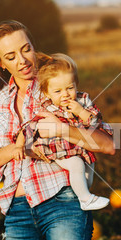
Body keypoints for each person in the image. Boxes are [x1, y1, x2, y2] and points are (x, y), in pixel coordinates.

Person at [0, 20, 115, 240]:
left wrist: (62, 130)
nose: (22, 60)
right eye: (11, 56)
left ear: (34, 48)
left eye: (26, 49)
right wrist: (14, 149)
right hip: (18, 212)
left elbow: (107, 144)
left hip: (64, 204)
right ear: (1, 63)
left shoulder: (59, 89)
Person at [16, 53, 110, 211]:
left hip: (81, 147)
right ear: (47, 93)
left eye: (70, 88)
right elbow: (28, 127)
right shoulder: (47, 108)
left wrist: (81, 112)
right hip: (58, 149)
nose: (65, 94)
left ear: (76, 85)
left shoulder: (82, 101)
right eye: (58, 91)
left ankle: (81, 193)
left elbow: (96, 122)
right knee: (76, 164)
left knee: (88, 174)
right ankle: (85, 200)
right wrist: (23, 147)